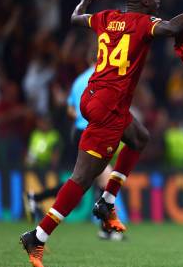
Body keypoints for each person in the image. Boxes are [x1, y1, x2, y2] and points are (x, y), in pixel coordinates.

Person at [20, 0, 183, 267]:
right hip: (109, 108)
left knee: (139, 137)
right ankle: (37, 236)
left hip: (93, 96)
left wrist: (87, 0)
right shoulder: (142, 23)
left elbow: (74, 18)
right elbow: (175, 28)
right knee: (81, 179)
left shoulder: (107, 18)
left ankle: (107, 201)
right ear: (143, 3)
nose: (159, 2)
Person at [25, 45, 124, 240]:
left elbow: (70, 110)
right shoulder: (102, 77)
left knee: (81, 180)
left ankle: (36, 198)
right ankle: (108, 228)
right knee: (104, 180)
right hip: (94, 132)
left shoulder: (79, 80)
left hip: (79, 132)